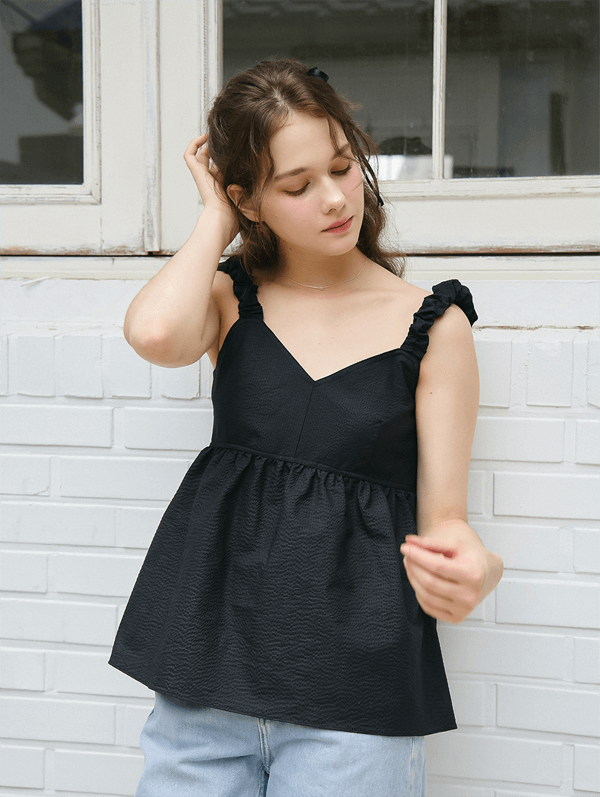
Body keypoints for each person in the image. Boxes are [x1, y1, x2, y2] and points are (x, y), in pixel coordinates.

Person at [108, 58, 504, 796]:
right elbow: (156, 336)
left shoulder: (434, 324)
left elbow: (447, 520)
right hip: (203, 683)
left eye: (343, 167)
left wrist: (476, 567)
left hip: (355, 701)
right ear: (250, 200)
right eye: (296, 186)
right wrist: (215, 220)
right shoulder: (231, 298)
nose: (335, 198)